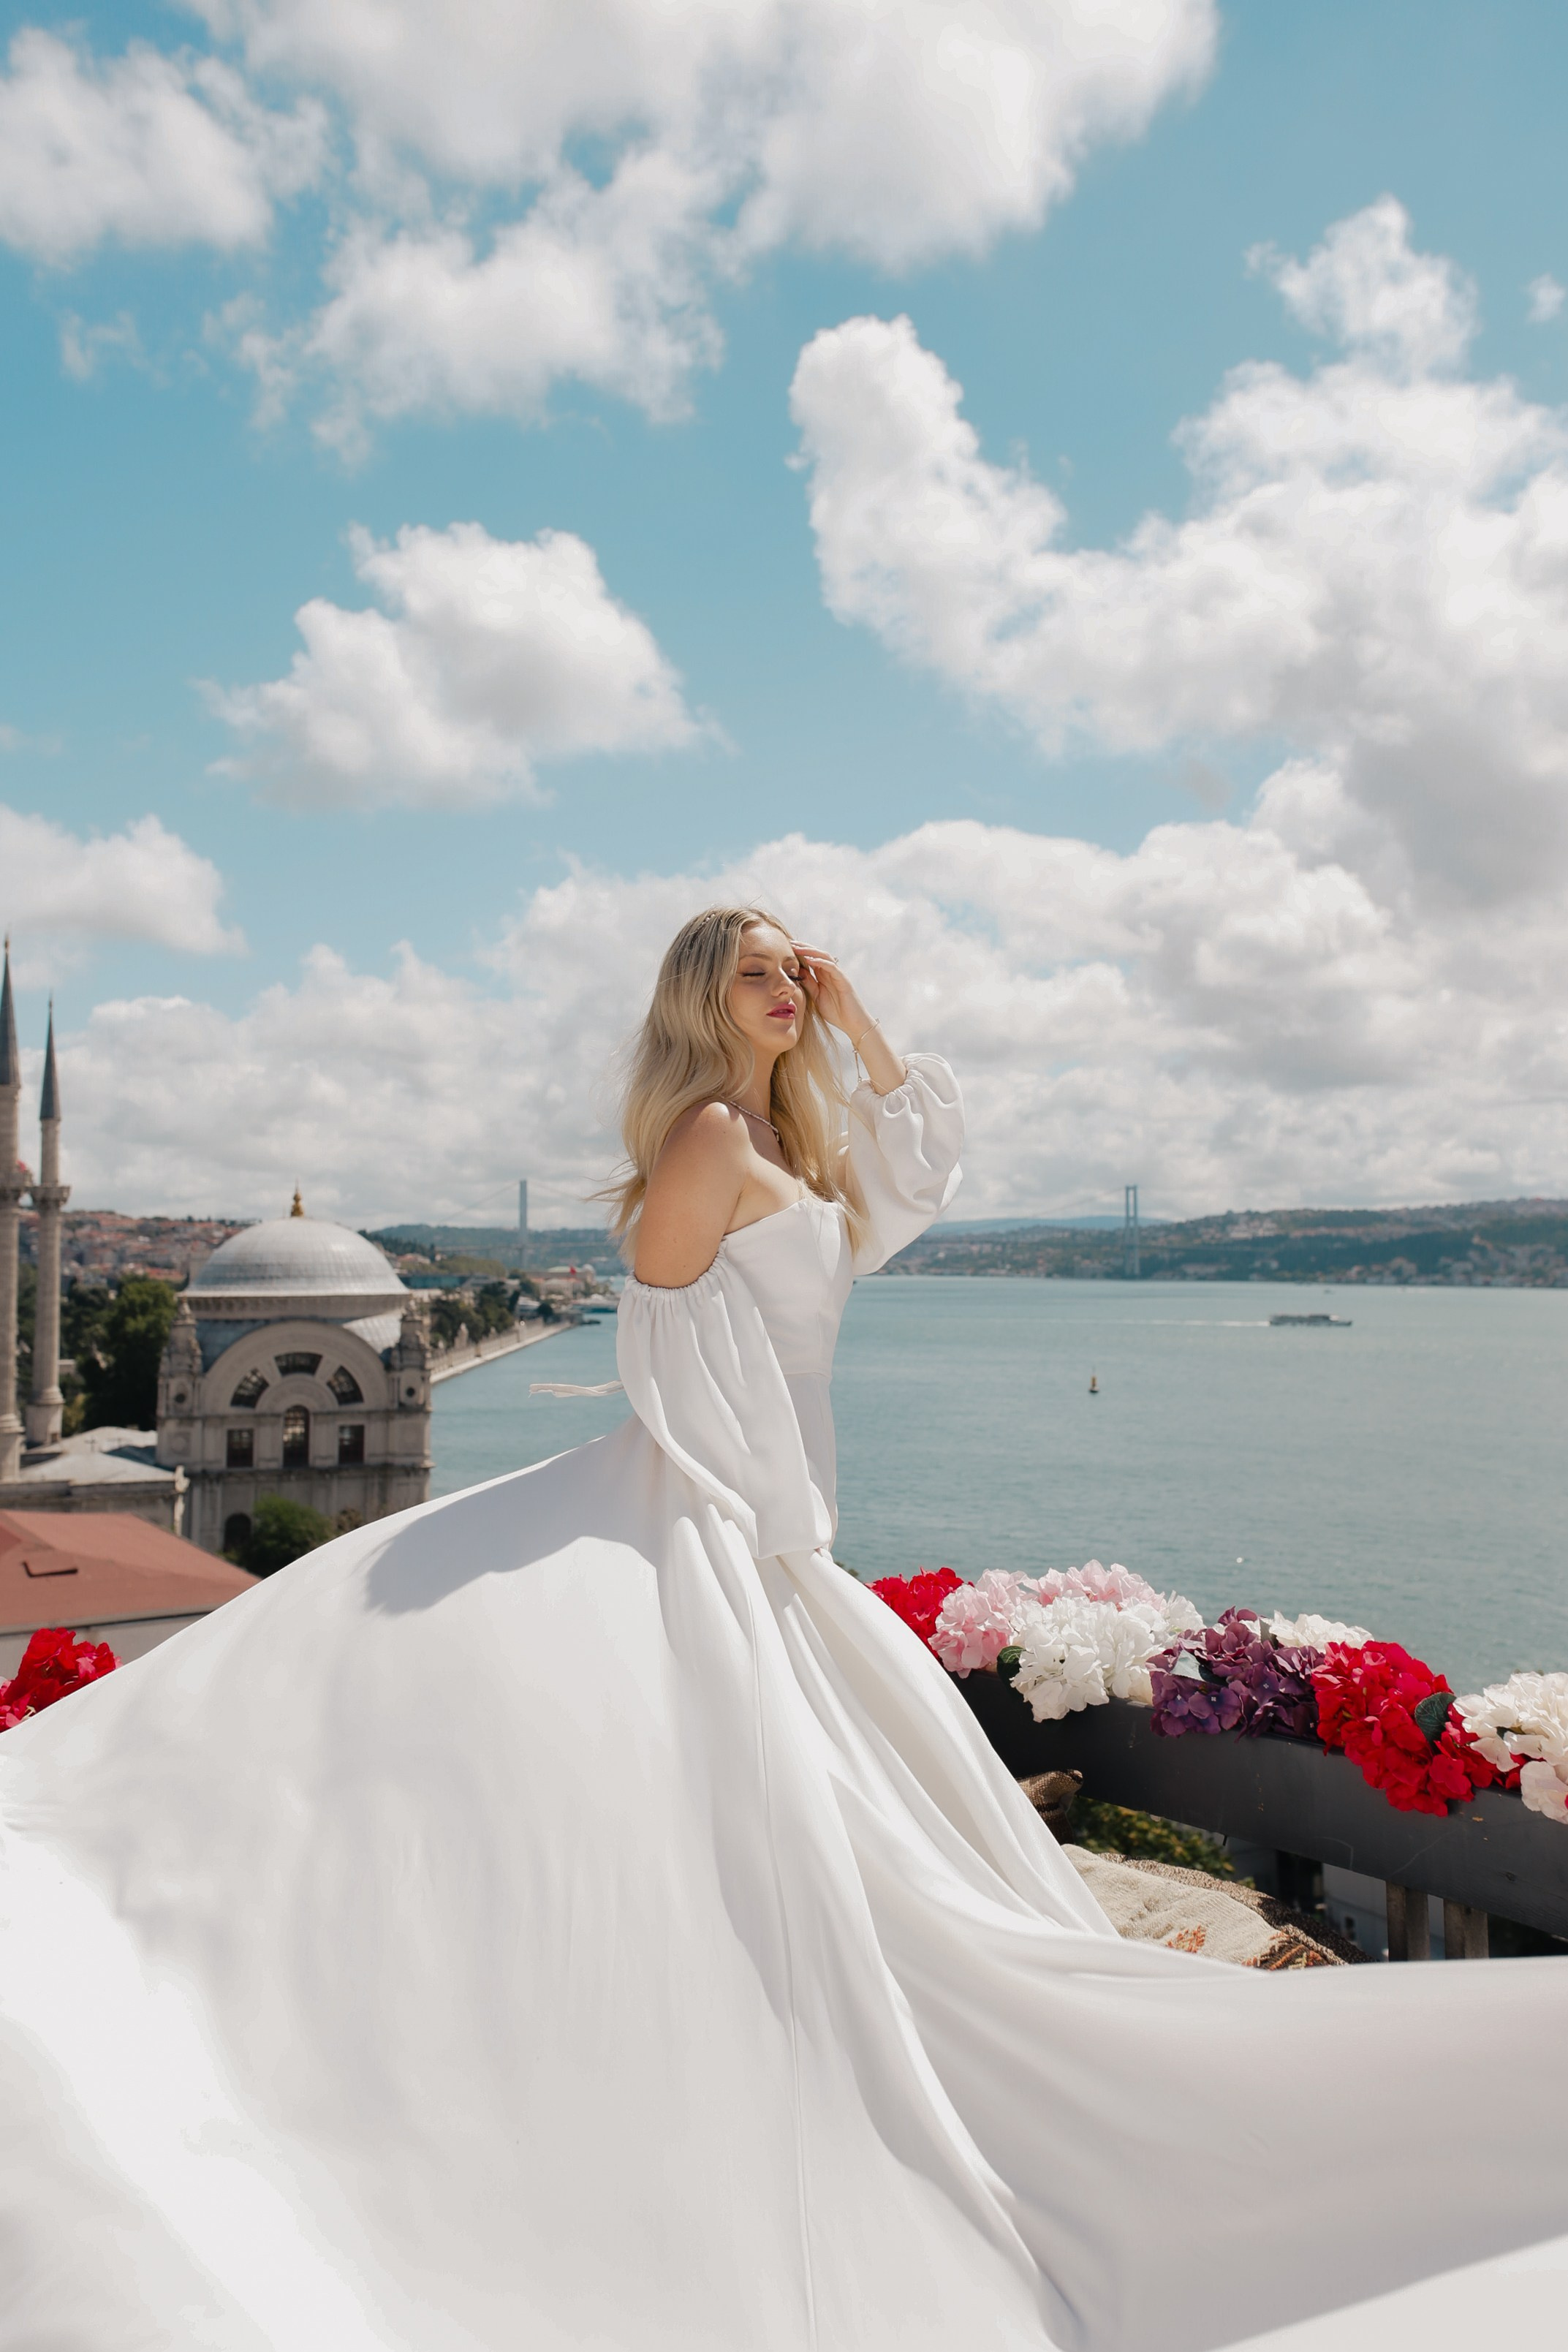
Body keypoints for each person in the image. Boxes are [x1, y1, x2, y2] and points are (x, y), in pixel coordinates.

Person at [0, 904, 1562, 2352]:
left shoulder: (781, 1140)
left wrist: (860, 1020)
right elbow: (660, 1337)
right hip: (720, 1510)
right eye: (753, 968)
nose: (783, 985)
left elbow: (902, 1193)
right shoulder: (704, 1135)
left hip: (763, 1520)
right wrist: (759, 1509)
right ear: (700, 995)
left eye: (791, 963)